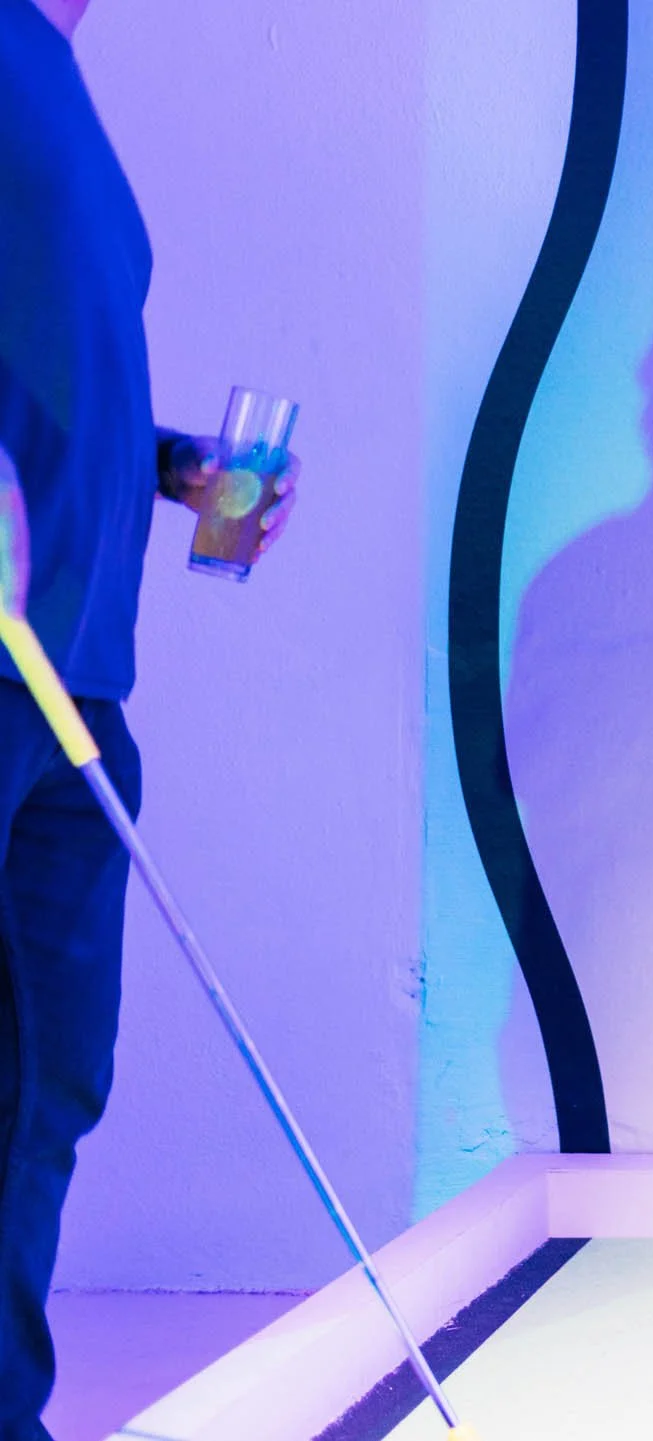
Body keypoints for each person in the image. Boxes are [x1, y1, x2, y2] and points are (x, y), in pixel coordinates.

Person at [0, 1, 297, 1434]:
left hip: (72, 682)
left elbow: (55, 370)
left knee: (46, 1081)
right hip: (6, 673)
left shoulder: (51, 72)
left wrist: (183, 467)